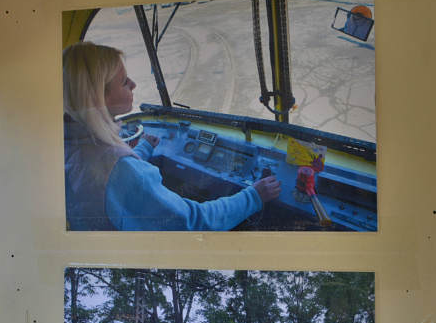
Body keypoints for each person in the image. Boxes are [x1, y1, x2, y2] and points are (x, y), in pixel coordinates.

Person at [63, 42, 281, 230]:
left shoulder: (63, 142)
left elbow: (105, 173)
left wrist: (142, 150)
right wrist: (254, 196)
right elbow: (190, 222)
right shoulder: (122, 170)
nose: (133, 85)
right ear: (99, 99)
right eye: (123, 82)